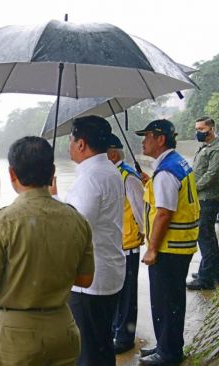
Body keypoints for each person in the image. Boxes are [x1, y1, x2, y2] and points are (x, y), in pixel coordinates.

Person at [0, 136, 95, 365]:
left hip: (16, 336)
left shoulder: (0, 221)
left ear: (12, 174)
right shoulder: (77, 219)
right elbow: (85, 279)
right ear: (52, 172)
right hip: (62, 329)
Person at [52, 116, 125, 366]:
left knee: (88, 351)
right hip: (109, 269)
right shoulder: (108, 170)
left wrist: (52, 202)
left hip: (91, 279)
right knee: (102, 343)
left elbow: (76, 230)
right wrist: (57, 197)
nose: (69, 146)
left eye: (71, 141)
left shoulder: (91, 178)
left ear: (81, 144)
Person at [135, 120, 199, 365]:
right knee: (172, 299)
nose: (143, 140)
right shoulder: (177, 163)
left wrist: (151, 249)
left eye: (147, 135)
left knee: (165, 301)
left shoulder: (166, 172)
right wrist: (148, 182)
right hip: (181, 244)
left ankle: (168, 353)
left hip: (169, 247)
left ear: (160, 139)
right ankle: (167, 345)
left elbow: (164, 212)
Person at [107, 133, 145, 355]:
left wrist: (146, 238)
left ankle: (124, 337)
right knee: (118, 292)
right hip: (117, 243)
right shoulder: (114, 174)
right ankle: (116, 329)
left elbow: (141, 211)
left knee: (128, 294)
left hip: (129, 244)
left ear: (112, 154)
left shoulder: (128, 176)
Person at [187, 116, 219, 291]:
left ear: (211, 129)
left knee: (205, 237)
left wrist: (193, 188)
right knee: (207, 236)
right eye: (197, 129)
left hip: (208, 198)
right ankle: (211, 272)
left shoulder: (218, 149)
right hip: (202, 197)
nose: (198, 133)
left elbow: (212, 175)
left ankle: (206, 278)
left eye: (201, 129)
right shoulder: (205, 147)